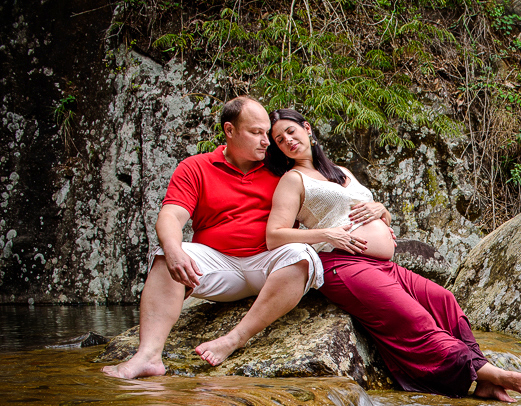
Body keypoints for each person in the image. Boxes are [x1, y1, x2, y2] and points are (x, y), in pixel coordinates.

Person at [263, 108, 521, 402]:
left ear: (307, 129)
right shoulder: (292, 180)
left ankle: (482, 379)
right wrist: (327, 235)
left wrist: (383, 211)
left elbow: (370, 212)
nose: (287, 140)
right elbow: (274, 235)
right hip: (340, 264)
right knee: (416, 319)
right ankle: (484, 373)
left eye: (291, 131)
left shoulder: (341, 172)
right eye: (279, 139)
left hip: (381, 263)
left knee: (443, 299)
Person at [102, 96, 387, 378]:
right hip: (217, 265)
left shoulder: (283, 170)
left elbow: (338, 200)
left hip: (269, 263)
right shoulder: (196, 166)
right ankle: (148, 356)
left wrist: (379, 208)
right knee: (166, 255)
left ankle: (233, 340)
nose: (266, 141)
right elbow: (171, 216)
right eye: (256, 133)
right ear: (230, 130)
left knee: (302, 256)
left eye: (267, 133)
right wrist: (174, 248)